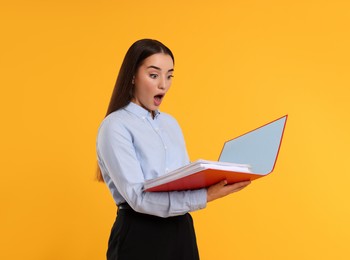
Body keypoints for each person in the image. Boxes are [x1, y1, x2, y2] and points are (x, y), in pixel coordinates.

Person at [96, 39, 251, 260]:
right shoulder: (115, 126)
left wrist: (218, 176)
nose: (163, 85)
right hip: (140, 234)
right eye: (154, 75)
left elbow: (184, 180)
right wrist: (207, 195)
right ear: (132, 76)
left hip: (181, 229)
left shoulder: (170, 124)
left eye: (169, 76)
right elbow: (138, 198)